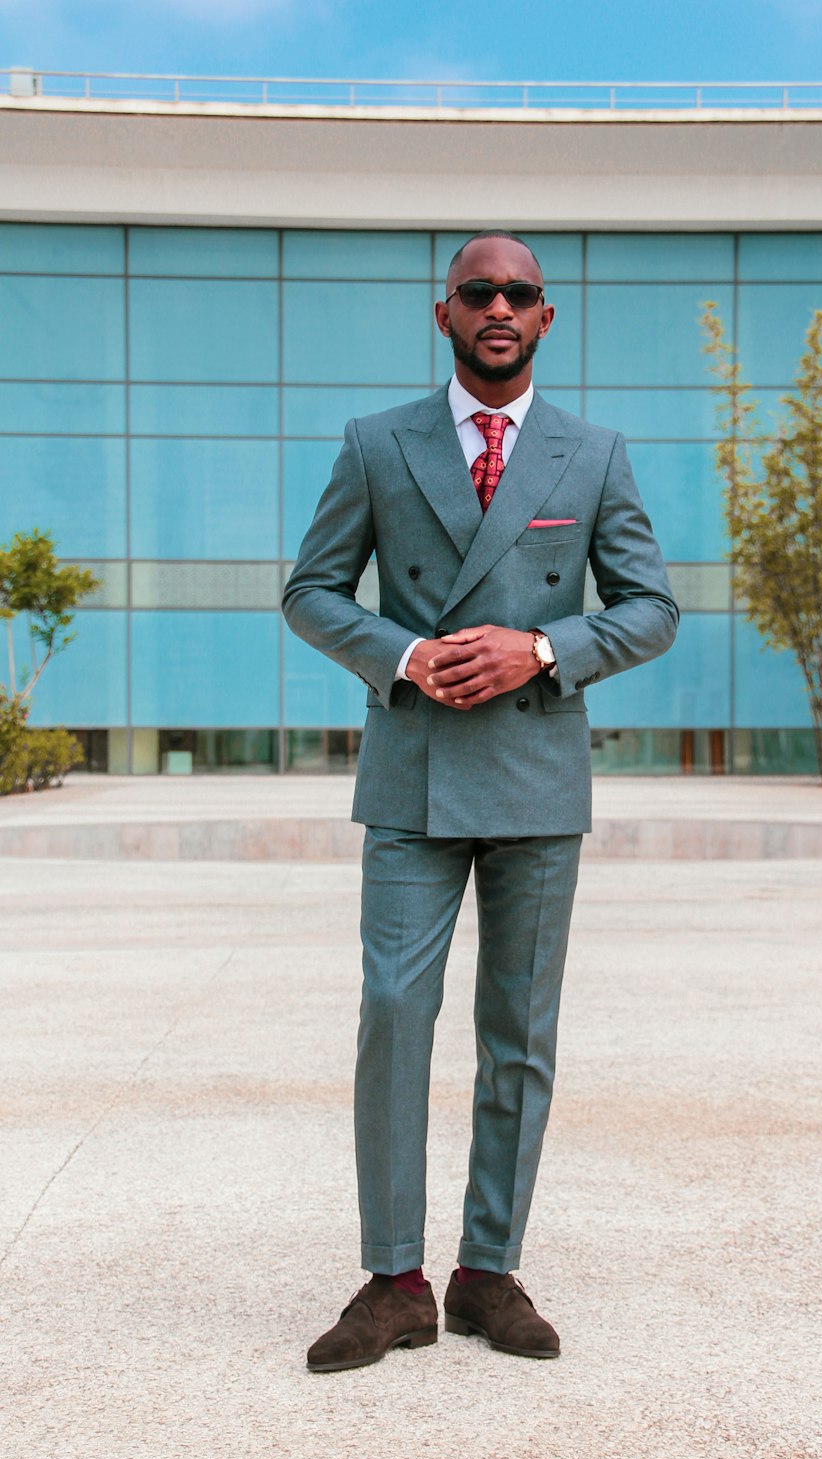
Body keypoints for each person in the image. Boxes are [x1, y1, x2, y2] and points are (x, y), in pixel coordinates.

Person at [282, 229, 679, 1371]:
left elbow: (650, 608)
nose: (499, 305)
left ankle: (487, 1272)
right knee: (394, 1015)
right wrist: (406, 657)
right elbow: (310, 591)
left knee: (517, 1036)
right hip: (411, 768)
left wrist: (542, 649)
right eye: (478, 291)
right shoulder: (376, 445)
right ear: (445, 312)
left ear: (545, 318)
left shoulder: (592, 453)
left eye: (521, 293)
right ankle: (394, 1279)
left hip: (535, 773)